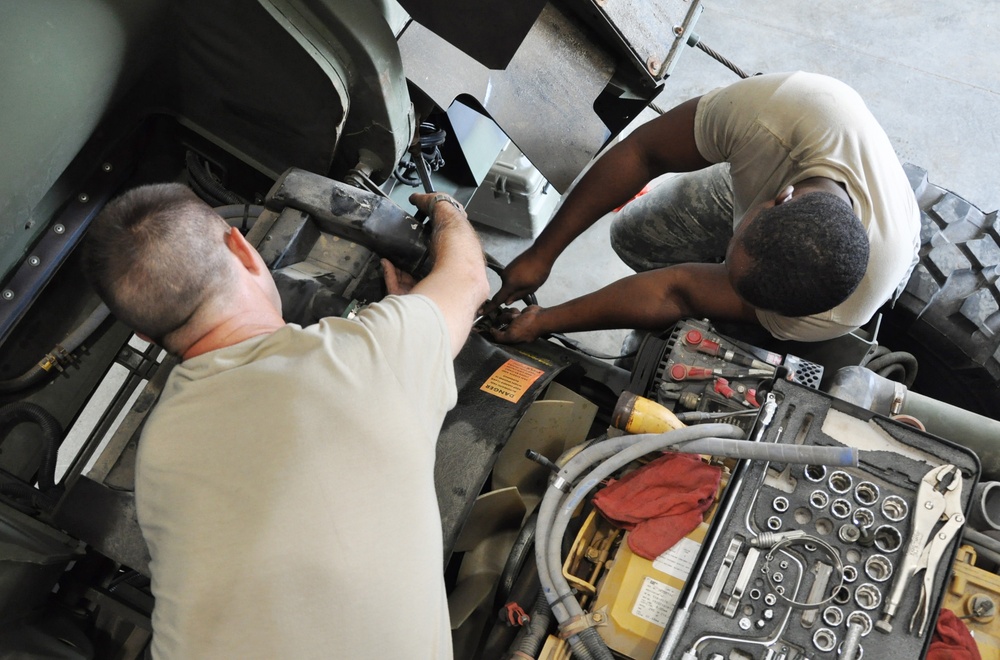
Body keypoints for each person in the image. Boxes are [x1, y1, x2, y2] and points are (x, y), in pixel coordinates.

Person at [82, 183, 489, 658]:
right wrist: (446, 207)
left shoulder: (154, 455)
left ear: (145, 333)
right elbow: (469, 277)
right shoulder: (369, 356)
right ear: (242, 247)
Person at [485, 71, 921, 345]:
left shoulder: (830, 314)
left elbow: (678, 289)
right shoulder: (777, 112)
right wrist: (541, 256)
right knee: (636, 234)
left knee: (725, 334)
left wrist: (546, 321)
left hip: (884, 247)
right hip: (794, 151)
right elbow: (643, 153)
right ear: (778, 197)